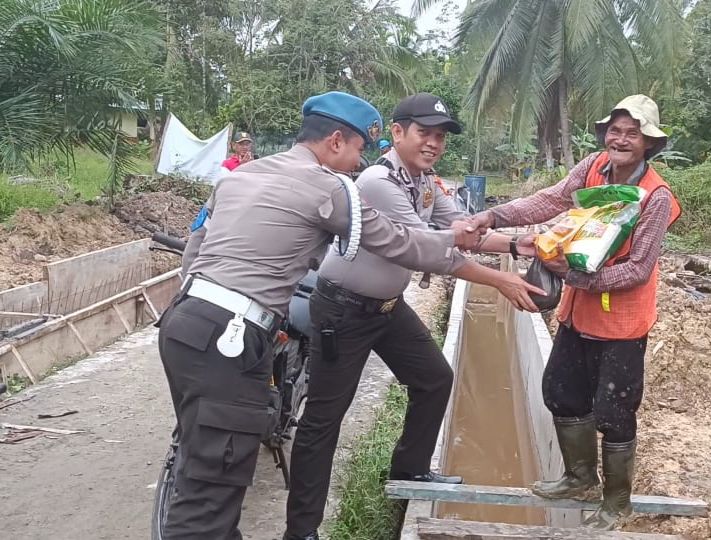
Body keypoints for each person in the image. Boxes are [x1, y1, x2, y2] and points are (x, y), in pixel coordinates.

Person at [159, 90, 540, 540]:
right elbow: (404, 244)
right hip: (248, 331)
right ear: (337, 141)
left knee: (203, 465)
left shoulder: (242, 176)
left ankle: (405, 473)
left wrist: (511, 242)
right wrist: (482, 260)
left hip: (186, 321)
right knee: (212, 492)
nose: (360, 160)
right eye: (360, 147)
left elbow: (196, 246)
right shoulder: (337, 188)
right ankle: (301, 531)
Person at [283, 93, 536, 540]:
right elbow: (431, 250)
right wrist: (501, 280)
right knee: (326, 418)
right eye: (424, 133)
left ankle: (411, 469)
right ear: (397, 133)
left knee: (434, 378)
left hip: (385, 307)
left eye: (440, 136)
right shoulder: (380, 182)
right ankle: (301, 531)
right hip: (344, 308)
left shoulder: (423, 181)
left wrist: (521, 246)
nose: (433, 143)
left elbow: (463, 230)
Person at [469, 95, 682, 530]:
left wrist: (576, 277)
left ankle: (617, 501)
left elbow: (639, 269)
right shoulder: (593, 168)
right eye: (615, 131)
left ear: (648, 143)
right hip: (580, 311)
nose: (620, 139)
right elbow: (549, 201)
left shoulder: (655, 196)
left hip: (622, 322)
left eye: (632, 133)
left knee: (614, 410)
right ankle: (580, 477)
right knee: (560, 391)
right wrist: (495, 215)